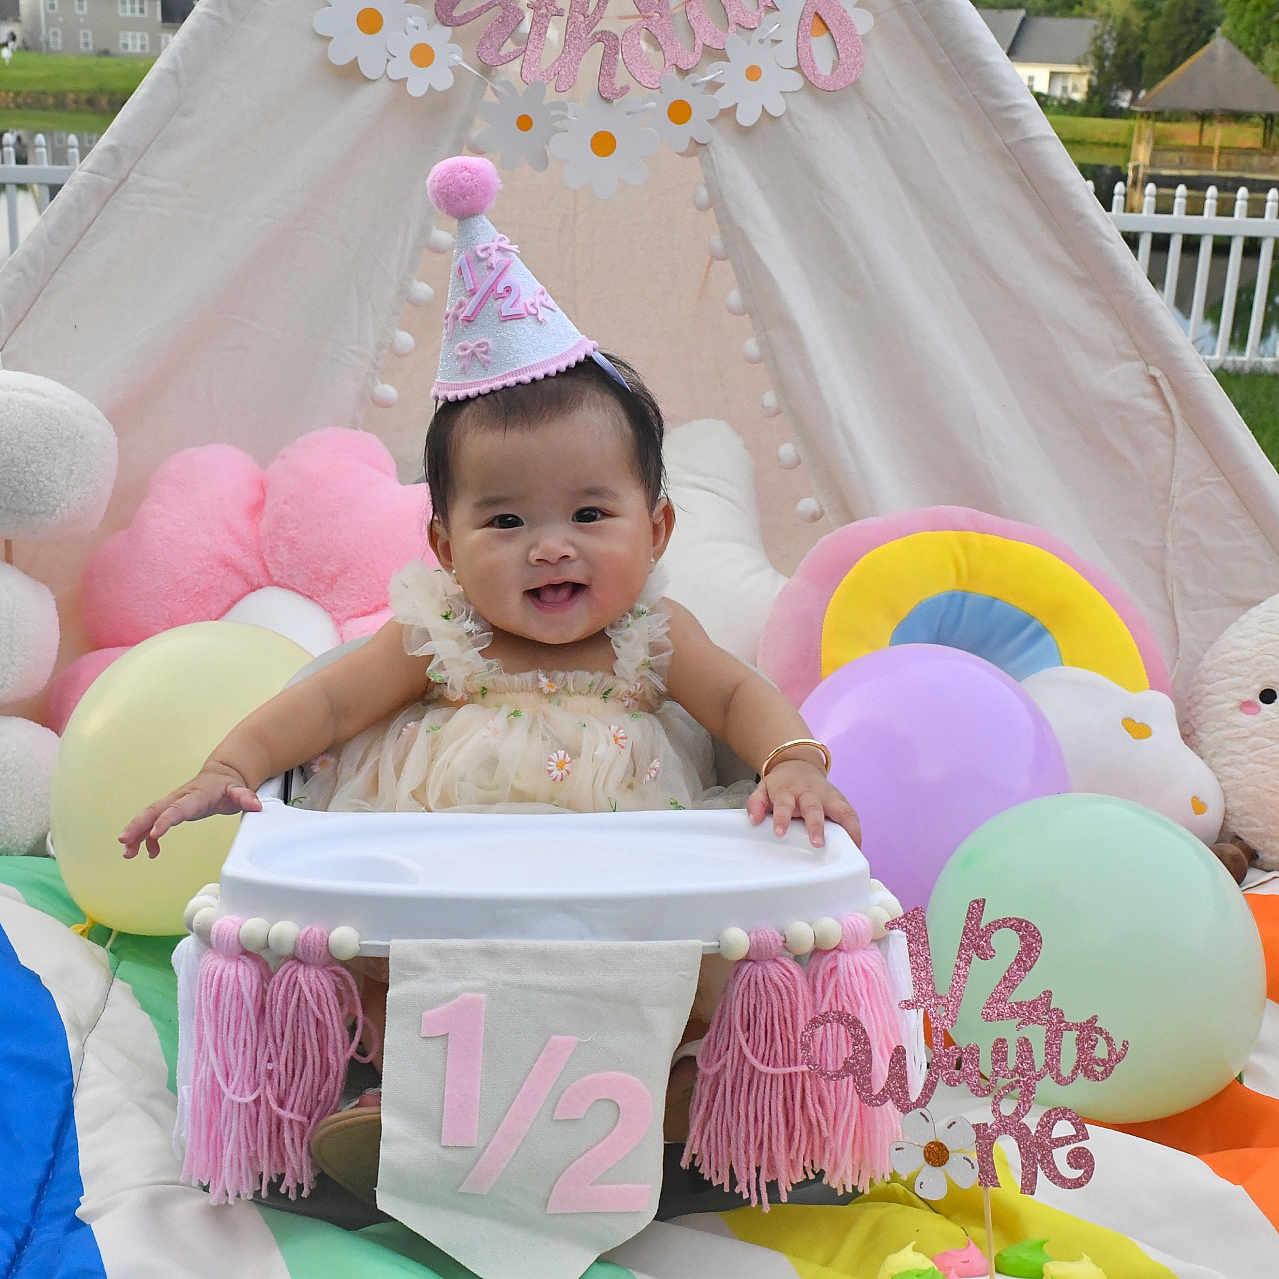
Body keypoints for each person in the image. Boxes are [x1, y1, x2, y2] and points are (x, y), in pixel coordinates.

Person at [119, 156, 861, 1201]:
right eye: (505, 521)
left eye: (588, 516)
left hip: (612, 898)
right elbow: (325, 704)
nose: (549, 547)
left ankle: (653, 1095)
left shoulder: (655, 637)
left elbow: (740, 698)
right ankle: (413, 1095)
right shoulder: (437, 636)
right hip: (452, 895)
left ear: (656, 529)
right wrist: (228, 764)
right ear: (444, 543)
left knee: (654, 972)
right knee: (411, 972)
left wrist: (792, 759)